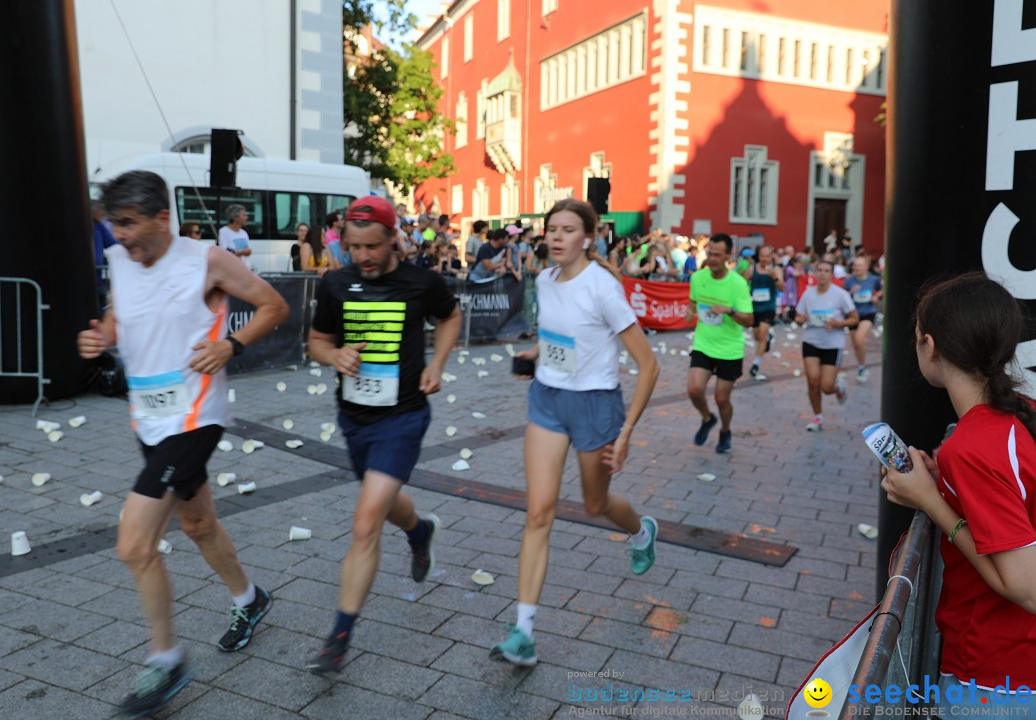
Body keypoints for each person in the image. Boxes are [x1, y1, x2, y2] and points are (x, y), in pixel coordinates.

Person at [77, 170, 289, 717]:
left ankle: (166, 661)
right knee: (196, 524)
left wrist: (231, 346)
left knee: (134, 544)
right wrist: (102, 336)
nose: (118, 235)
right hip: (148, 417)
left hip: (197, 417)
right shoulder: (122, 261)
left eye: (128, 223)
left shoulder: (207, 260)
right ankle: (251, 599)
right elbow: (120, 316)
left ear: (162, 219)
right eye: (113, 224)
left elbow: (273, 305)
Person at [492, 198, 660, 666]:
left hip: (595, 407)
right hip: (547, 399)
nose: (557, 237)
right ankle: (523, 631)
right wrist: (536, 356)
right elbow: (557, 338)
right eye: (551, 229)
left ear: (588, 237)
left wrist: (625, 434)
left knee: (594, 504)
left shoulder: (603, 288)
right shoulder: (544, 280)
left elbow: (649, 367)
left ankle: (641, 530)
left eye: (568, 229)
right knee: (538, 513)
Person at [305, 196, 462, 674]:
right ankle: (420, 530)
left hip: (404, 416)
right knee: (385, 504)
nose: (364, 257)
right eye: (354, 247)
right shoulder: (335, 282)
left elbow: (450, 315)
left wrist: (437, 364)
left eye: (372, 246)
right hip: (355, 418)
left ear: (394, 237)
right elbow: (316, 342)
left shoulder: (421, 281)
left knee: (365, 521)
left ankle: (338, 637)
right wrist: (334, 357)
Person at [880, 272, 1036, 713]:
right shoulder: (1020, 413)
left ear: (930, 346)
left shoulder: (971, 447)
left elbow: (1027, 587)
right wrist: (942, 487)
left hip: (996, 679)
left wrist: (929, 500)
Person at [684, 233, 753, 453]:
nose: (712, 259)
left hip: (729, 349)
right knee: (695, 390)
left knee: (722, 398)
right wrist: (690, 311)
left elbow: (749, 320)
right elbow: (693, 302)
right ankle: (707, 418)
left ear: (728, 255)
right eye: (710, 253)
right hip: (704, 344)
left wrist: (729, 310)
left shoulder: (738, 284)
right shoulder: (698, 278)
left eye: (717, 255)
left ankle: (725, 430)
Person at [794, 260, 857, 431]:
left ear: (831, 274)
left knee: (826, 386)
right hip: (811, 341)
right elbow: (798, 317)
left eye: (826, 270)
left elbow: (854, 318)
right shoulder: (808, 294)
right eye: (819, 270)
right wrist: (802, 319)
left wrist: (837, 323)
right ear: (814, 273)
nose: (822, 273)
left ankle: (837, 387)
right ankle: (818, 417)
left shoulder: (840, 294)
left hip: (833, 344)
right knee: (813, 381)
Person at [843, 255, 883, 384]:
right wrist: (850, 293)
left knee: (859, 339)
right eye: (855, 265)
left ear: (865, 267)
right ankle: (862, 366)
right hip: (853, 315)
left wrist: (876, 297)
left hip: (868, 314)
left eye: (859, 265)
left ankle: (862, 367)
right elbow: (843, 298)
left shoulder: (873, 279)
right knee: (856, 344)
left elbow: (881, 289)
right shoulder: (849, 281)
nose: (856, 267)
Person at [748, 245, 784, 381]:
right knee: (757, 336)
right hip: (754, 307)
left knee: (761, 334)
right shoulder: (753, 269)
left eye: (767, 256)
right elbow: (742, 281)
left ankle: (756, 364)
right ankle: (767, 339)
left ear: (771, 256)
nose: (764, 259)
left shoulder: (776, 269)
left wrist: (774, 277)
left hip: (769, 307)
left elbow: (782, 288)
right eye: (762, 256)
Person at [91, 200, 117, 310]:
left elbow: (112, 243)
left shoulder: (99, 226)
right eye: (99, 210)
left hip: (98, 280)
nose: (102, 213)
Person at [217, 204, 253, 270]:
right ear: (235, 217)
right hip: (232, 271)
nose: (246, 217)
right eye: (244, 215)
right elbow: (224, 253)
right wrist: (242, 252)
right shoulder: (224, 232)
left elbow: (247, 250)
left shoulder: (244, 233)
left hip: (245, 270)